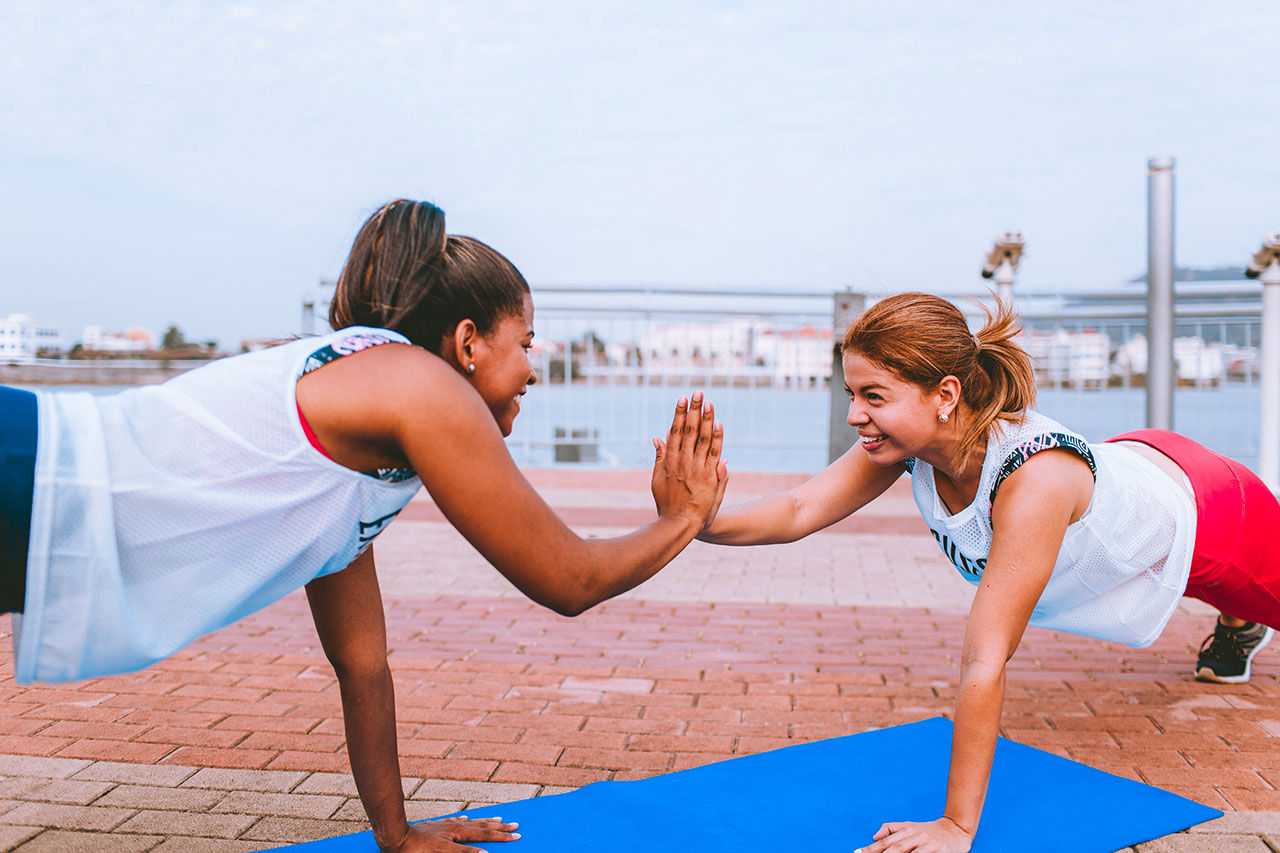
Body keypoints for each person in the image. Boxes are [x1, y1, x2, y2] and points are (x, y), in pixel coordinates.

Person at [0, 198, 729, 853]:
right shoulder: (417, 386)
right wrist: (685, 516)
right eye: (527, 342)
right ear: (469, 342)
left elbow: (363, 663)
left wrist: (396, 832)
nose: (534, 370)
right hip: (32, 471)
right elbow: (570, 579)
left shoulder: (361, 447)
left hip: (34, 501)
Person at [697, 291, 1279, 853]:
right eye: (851, 393)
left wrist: (956, 824)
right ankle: (1238, 620)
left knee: (1246, 591)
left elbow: (986, 657)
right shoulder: (906, 444)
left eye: (872, 395)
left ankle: (1241, 618)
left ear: (944, 394)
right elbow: (801, 509)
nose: (854, 415)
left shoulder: (1034, 480)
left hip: (1211, 509)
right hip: (1134, 460)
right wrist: (695, 519)